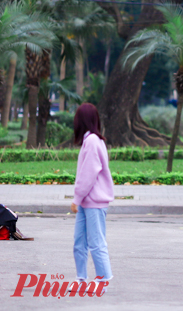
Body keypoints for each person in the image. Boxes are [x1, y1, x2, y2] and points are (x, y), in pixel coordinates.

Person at [71, 103, 113, 285]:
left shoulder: (92, 142)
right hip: (86, 202)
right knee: (79, 242)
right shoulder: (92, 140)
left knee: (96, 243)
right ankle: (81, 278)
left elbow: (88, 175)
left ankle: (103, 280)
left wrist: (76, 198)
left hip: (94, 202)